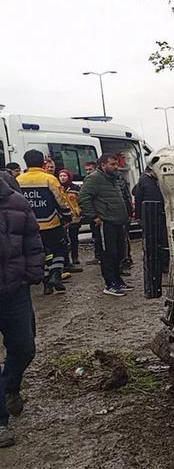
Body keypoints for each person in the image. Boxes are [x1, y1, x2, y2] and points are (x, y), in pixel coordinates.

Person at [0, 172, 43, 448]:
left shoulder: (16, 201)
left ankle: (9, 387)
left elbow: (32, 239)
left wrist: (33, 273)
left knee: (25, 347)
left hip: (15, 290)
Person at [16, 150, 71, 294]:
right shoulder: (49, 179)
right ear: (42, 163)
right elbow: (61, 200)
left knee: (43, 253)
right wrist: (67, 216)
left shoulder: (18, 180)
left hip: (29, 225)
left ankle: (47, 284)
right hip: (51, 223)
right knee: (59, 249)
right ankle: (55, 274)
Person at [79, 154, 132, 296]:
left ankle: (118, 280)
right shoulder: (94, 178)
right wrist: (94, 216)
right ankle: (110, 284)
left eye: (116, 164)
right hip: (106, 222)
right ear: (103, 165)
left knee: (119, 253)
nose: (116, 167)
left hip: (118, 222)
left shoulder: (113, 178)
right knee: (109, 254)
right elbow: (83, 198)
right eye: (112, 164)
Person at [58, 169, 84, 268]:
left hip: (74, 217)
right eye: (61, 176)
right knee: (63, 240)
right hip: (62, 217)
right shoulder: (57, 187)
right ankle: (66, 260)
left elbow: (81, 200)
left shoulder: (75, 188)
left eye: (64, 176)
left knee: (74, 239)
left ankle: (75, 257)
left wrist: (79, 211)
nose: (62, 178)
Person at [82, 161, 102, 266]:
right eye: (86, 170)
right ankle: (98, 256)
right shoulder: (88, 180)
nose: (88, 172)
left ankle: (100, 256)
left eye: (90, 169)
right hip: (93, 214)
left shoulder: (96, 180)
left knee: (100, 237)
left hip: (99, 213)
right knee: (96, 236)